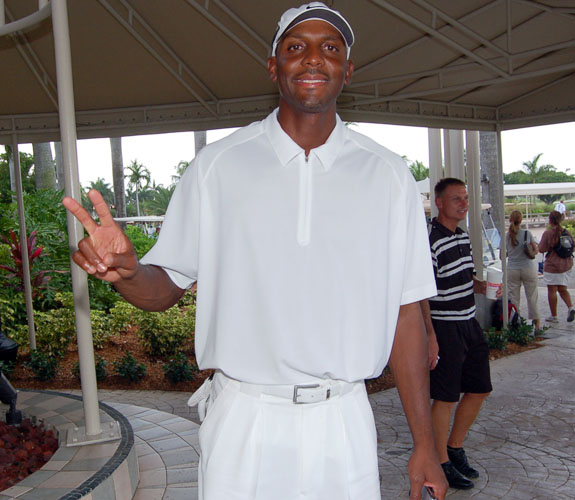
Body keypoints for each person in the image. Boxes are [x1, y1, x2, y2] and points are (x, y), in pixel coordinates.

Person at [63, 3, 447, 500]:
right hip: (244, 419)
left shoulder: (389, 175)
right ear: (273, 67)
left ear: (347, 71)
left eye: (330, 48)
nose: (313, 58)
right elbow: (165, 287)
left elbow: (406, 315)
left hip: (343, 418)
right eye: (296, 47)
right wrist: (129, 272)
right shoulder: (217, 167)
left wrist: (425, 446)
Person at [420, 178, 495, 491]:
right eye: (456, 199)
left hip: (469, 322)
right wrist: (430, 334)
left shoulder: (462, 237)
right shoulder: (429, 239)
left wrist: (483, 286)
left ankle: (455, 446)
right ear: (439, 202)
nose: (464, 205)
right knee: (446, 397)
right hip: (445, 325)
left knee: (480, 388)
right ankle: (441, 461)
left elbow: (466, 277)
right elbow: (421, 291)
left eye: (465, 199)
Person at [538, 210, 575, 323]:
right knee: (563, 289)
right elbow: (573, 246)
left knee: (552, 290)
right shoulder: (566, 232)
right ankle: (571, 308)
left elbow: (541, 249)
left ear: (550, 220)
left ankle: (554, 316)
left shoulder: (548, 233)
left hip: (553, 265)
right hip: (566, 264)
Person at [506, 210, 540, 330]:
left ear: (510, 219)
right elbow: (536, 251)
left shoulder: (507, 235)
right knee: (532, 296)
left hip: (512, 269)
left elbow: (502, 256)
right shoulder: (527, 233)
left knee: (514, 298)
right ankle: (537, 325)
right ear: (521, 220)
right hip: (528, 268)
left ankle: (516, 323)